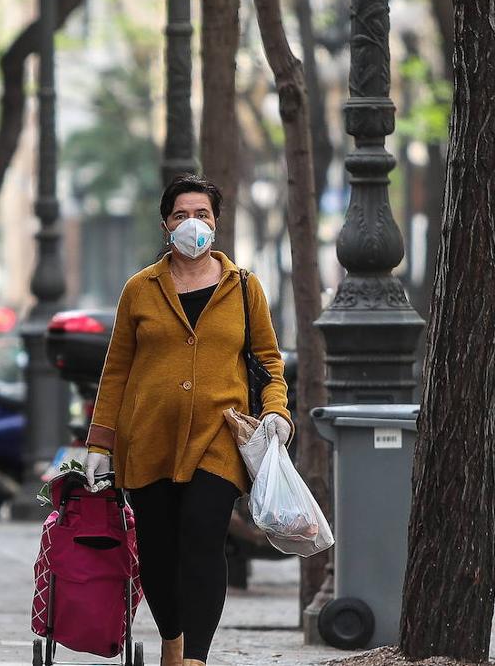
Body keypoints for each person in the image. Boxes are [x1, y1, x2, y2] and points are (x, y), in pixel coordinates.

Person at [83, 175, 293, 666]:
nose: (191, 224)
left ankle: (194, 658)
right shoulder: (140, 289)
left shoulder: (244, 287)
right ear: (165, 225)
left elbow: (269, 359)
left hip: (219, 438)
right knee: (157, 553)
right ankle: (172, 642)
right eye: (181, 215)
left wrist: (277, 412)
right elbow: (115, 371)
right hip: (149, 439)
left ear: (216, 225)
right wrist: (99, 443)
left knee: (202, 537)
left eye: (202, 215)